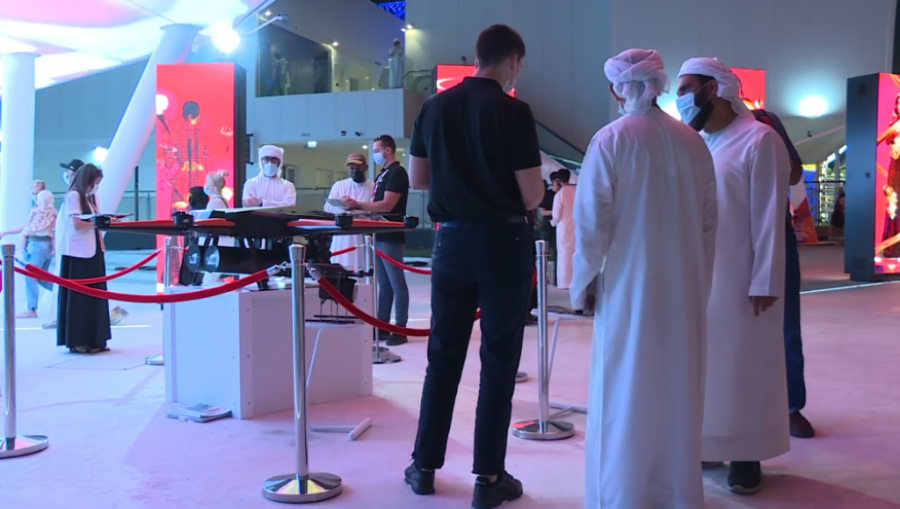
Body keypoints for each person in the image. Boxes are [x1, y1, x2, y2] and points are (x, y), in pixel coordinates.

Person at [404, 24, 545, 509]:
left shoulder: (433, 107)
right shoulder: (514, 111)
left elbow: (419, 179)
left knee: (443, 356)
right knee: (499, 359)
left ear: (477, 57)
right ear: (513, 61)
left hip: (451, 241)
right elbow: (532, 194)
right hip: (504, 241)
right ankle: (488, 477)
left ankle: (424, 466)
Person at [570, 48, 717, 509]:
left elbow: (590, 223)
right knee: (677, 392)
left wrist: (581, 282)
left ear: (619, 88)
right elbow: (709, 224)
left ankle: (622, 496)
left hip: (628, 291)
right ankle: (676, 496)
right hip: (684, 293)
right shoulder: (693, 142)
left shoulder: (610, 140)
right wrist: (699, 283)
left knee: (624, 390)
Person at [676, 57, 791, 494]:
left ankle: (747, 455)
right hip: (702, 274)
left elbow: (769, 217)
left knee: (745, 365)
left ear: (713, 89)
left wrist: (765, 279)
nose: (681, 99)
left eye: (686, 89)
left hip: (742, 275)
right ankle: (710, 443)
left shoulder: (759, 140)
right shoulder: (700, 144)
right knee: (708, 365)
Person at [754, 109, 816, 439]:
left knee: (787, 321)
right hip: (726, 235)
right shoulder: (699, 128)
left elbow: (794, 172)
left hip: (776, 231)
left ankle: (791, 406)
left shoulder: (764, 121)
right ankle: (728, 408)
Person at [341, 135, 410, 346]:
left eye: (378, 150)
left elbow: (387, 205)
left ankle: (400, 328)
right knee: (384, 284)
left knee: (396, 283)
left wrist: (358, 205)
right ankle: (383, 325)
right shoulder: (383, 174)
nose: (375, 154)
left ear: (388, 150)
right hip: (379, 233)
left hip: (391, 234)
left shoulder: (397, 173)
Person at [55, 164, 113, 354]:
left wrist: (106, 222)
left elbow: (93, 221)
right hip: (78, 253)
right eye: (94, 183)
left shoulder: (91, 197)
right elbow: (77, 224)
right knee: (80, 299)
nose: (96, 187)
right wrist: (99, 222)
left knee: (96, 296)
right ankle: (78, 340)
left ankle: (96, 338)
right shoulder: (74, 195)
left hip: (94, 250)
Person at [0, 188, 57, 318]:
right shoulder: (54, 213)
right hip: (48, 246)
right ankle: (65, 292)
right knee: (42, 278)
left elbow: (27, 228)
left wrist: (8, 233)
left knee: (30, 276)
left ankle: (31, 309)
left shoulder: (36, 212)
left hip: (35, 246)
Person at [325, 153, 374, 271]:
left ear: (365, 167)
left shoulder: (372, 187)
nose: (355, 171)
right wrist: (344, 205)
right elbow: (328, 208)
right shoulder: (339, 186)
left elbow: (375, 210)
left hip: (363, 235)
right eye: (352, 168)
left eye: (358, 168)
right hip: (342, 236)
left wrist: (356, 207)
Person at [550, 169, 575, 289]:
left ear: (558, 180)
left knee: (564, 255)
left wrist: (552, 223)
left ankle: (565, 282)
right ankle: (575, 280)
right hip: (576, 227)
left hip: (563, 228)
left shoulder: (559, 194)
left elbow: (556, 216)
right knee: (575, 252)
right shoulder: (576, 191)